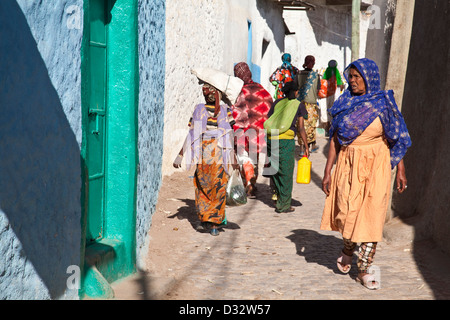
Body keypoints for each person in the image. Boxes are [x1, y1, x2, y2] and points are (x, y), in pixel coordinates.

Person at [320, 58, 412, 289]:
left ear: (369, 78)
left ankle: (364, 268)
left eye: (356, 77)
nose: (352, 81)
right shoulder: (344, 103)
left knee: (372, 214)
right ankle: (348, 249)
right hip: (349, 163)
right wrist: (327, 170)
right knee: (348, 212)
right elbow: (334, 139)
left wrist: (400, 168)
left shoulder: (383, 103)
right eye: (350, 76)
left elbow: (396, 137)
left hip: (377, 163)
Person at [173, 83, 239, 236]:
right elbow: (193, 133)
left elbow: (193, 133)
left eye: (207, 92)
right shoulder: (211, 110)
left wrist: (181, 154)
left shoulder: (212, 110)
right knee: (210, 186)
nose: (205, 95)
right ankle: (210, 222)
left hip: (212, 155)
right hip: (211, 154)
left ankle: (210, 221)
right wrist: (181, 154)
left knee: (210, 186)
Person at [264, 80, 310, 213]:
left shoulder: (277, 102)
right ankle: (284, 205)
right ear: (295, 92)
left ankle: (278, 198)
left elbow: (271, 119)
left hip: (271, 139)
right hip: (285, 142)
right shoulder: (298, 105)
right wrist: (305, 145)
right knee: (286, 173)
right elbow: (301, 128)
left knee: (276, 171)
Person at [232, 62, 273, 197]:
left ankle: (249, 183)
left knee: (244, 157)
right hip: (261, 130)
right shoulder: (263, 91)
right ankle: (252, 183)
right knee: (253, 157)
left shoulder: (239, 92)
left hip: (246, 131)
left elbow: (237, 114)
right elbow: (269, 109)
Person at [297, 55, 321, 154]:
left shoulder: (298, 74)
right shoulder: (316, 75)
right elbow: (318, 89)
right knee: (311, 126)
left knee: (301, 125)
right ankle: (313, 145)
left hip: (300, 103)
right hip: (311, 104)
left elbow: (296, 87)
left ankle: (302, 148)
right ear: (314, 63)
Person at [320, 60, 345, 136]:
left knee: (327, 108)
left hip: (327, 92)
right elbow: (339, 80)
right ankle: (331, 128)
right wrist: (341, 85)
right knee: (333, 107)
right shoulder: (336, 71)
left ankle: (327, 128)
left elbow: (323, 79)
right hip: (334, 92)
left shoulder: (327, 70)